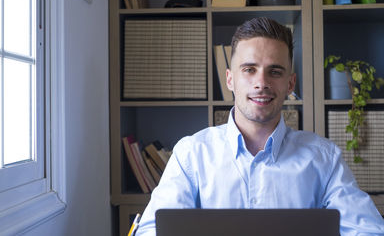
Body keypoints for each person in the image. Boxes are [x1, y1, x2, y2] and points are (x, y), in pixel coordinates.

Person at [135, 17, 384, 236]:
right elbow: (151, 230)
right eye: (249, 70)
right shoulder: (191, 154)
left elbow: (368, 231)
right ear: (230, 79)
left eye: (274, 72)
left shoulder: (324, 159)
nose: (261, 83)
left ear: (290, 83)